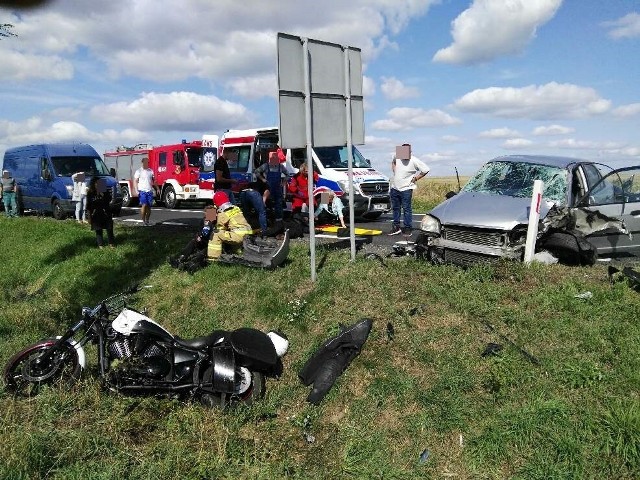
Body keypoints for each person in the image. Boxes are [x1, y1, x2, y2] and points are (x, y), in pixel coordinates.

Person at [388, 144, 430, 236]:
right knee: (396, 208)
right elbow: (393, 160)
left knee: (406, 208)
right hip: (395, 188)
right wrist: (394, 169)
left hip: (406, 188)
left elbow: (426, 169)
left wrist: (416, 178)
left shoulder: (414, 160)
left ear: (410, 152)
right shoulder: (397, 156)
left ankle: (408, 228)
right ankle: (396, 227)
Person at [168, 205, 216, 271]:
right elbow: (200, 231)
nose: (206, 216)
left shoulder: (215, 222)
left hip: (211, 245)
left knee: (202, 253)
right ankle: (180, 258)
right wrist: (198, 236)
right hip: (203, 242)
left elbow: (206, 233)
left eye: (208, 214)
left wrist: (208, 225)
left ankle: (189, 265)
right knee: (193, 242)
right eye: (205, 214)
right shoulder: (204, 221)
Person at [208, 190, 252, 260]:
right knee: (231, 234)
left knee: (216, 234)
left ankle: (213, 258)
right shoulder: (235, 208)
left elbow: (220, 229)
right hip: (247, 233)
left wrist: (212, 218)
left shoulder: (223, 213)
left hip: (238, 235)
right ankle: (238, 253)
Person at [255, 149, 287, 224]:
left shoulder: (281, 166)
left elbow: (287, 174)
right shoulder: (266, 166)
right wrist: (262, 179)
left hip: (278, 189)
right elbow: (256, 171)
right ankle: (268, 221)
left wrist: (284, 182)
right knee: (268, 205)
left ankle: (279, 222)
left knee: (278, 205)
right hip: (269, 188)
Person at [86, 177, 115, 248]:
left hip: (106, 212)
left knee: (109, 228)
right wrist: (89, 217)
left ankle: (111, 243)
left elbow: (109, 200)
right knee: (98, 229)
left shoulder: (105, 192)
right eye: (97, 183)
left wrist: (102, 194)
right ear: (94, 184)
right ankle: (100, 245)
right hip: (96, 213)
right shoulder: (90, 193)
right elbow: (88, 206)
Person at [134, 157, 159, 226]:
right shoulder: (138, 171)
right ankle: (143, 221)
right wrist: (136, 190)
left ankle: (147, 220)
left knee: (149, 206)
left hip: (149, 191)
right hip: (142, 191)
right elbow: (135, 181)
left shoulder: (150, 171)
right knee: (144, 205)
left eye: (147, 162)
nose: (146, 164)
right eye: (145, 162)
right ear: (142, 163)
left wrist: (157, 188)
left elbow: (154, 180)